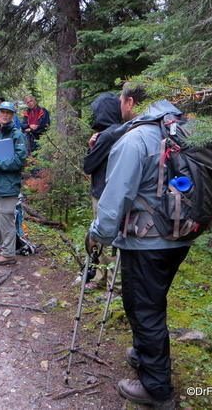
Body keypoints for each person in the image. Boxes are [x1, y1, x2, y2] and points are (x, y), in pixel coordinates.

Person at [88, 82, 190, 408]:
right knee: (152, 301)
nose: (120, 107)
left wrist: (98, 235)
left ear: (130, 102)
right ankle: (145, 354)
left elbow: (115, 198)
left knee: (144, 309)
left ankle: (156, 389)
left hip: (147, 240)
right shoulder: (183, 128)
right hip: (182, 233)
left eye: (121, 101)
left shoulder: (135, 139)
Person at [82, 92, 124, 293]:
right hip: (112, 192)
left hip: (103, 194)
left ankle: (112, 287)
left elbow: (88, 165)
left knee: (104, 238)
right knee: (105, 238)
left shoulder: (107, 135)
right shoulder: (121, 131)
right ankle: (101, 278)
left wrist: (91, 147)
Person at [0, 101, 27, 266]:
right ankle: (3, 246)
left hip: (9, 183)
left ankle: (8, 254)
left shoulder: (17, 135)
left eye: (9, 113)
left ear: (13, 116)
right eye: (3, 112)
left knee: (6, 217)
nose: (5, 115)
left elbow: (19, 160)